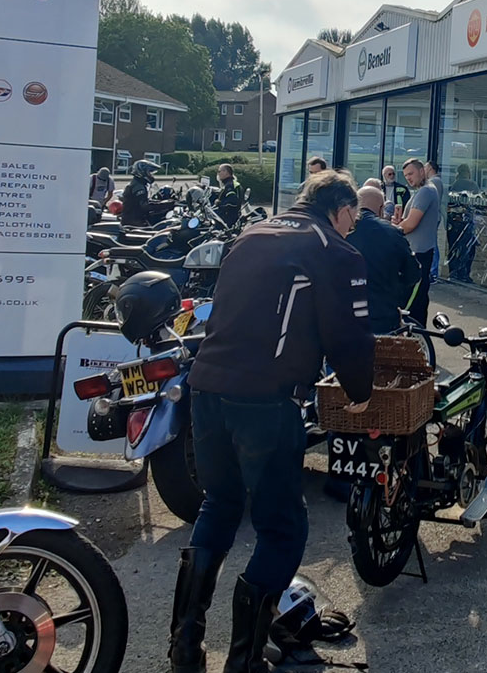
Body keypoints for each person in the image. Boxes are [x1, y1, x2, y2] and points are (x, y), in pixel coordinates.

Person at [171, 170, 375, 673]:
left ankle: (184, 647)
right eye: (354, 218)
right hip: (265, 399)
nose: (353, 227)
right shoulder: (334, 250)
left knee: (220, 504)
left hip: (206, 387)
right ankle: (243, 660)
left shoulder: (252, 234)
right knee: (282, 528)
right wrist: (361, 394)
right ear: (341, 209)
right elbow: (349, 337)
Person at [347, 186, 421, 334]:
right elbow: (413, 273)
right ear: (381, 208)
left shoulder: (343, 229)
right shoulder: (392, 233)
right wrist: (398, 301)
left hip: (346, 314)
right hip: (383, 316)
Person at [397, 158, 440, 326]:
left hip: (419, 254)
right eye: (406, 175)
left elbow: (410, 224)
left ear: (422, 171)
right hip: (420, 251)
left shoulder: (426, 191)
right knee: (419, 299)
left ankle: (416, 336)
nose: (408, 178)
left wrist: (392, 230)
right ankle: (418, 336)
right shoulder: (423, 191)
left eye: (411, 173)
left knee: (413, 302)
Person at [120, 159, 170, 228]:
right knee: (160, 228)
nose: (151, 175)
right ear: (142, 172)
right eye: (149, 173)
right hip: (134, 222)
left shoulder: (137, 183)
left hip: (133, 219)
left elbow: (144, 201)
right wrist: (167, 205)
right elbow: (145, 206)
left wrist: (164, 202)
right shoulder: (138, 186)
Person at [425, 160, 445, 281]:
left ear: (430, 168)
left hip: (432, 217)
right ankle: (433, 271)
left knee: (432, 243)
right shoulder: (436, 181)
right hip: (434, 216)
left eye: (425, 167)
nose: (424, 170)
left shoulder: (434, 182)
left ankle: (433, 272)